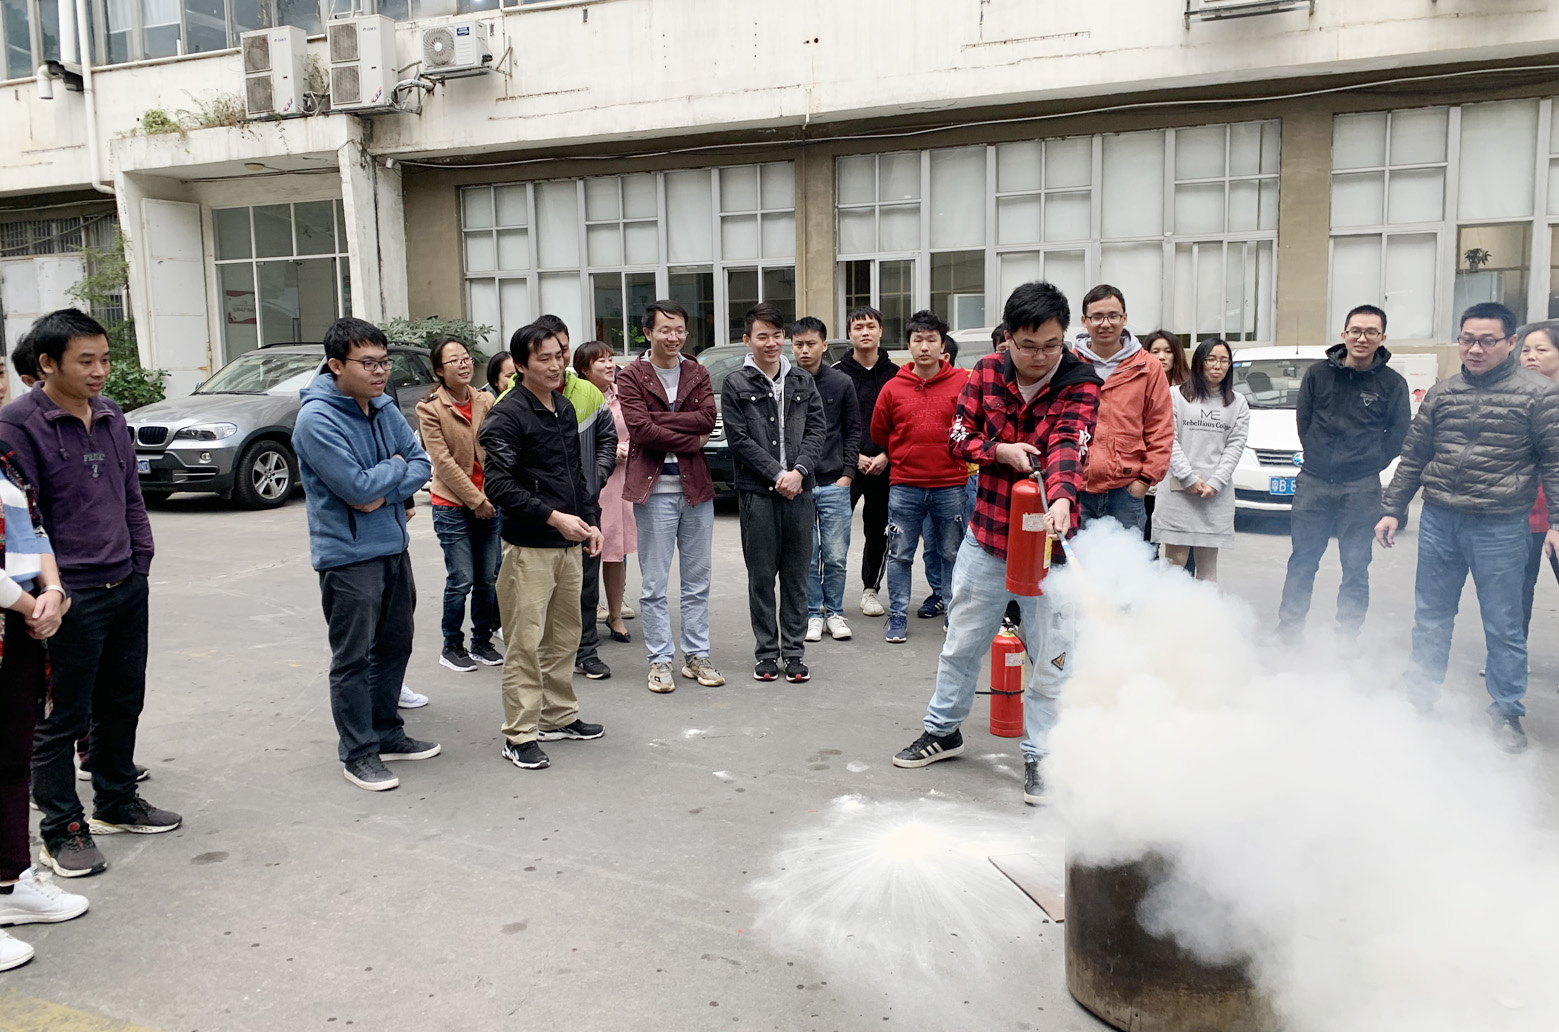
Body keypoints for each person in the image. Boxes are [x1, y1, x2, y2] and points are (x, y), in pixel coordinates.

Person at [891, 281, 1102, 806]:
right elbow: (957, 437)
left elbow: (1068, 446)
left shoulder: (1080, 381)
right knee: (961, 642)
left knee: (1053, 654)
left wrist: (1061, 499)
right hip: (986, 537)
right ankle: (943, 730)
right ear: (1007, 337)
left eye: (1051, 345)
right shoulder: (985, 372)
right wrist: (998, 450)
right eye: (1028, 346)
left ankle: (1042, 754)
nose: (1040, 357)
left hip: (1051, 547)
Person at [0, 309, 180, 877]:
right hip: (68, 594)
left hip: (125, 582)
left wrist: (140, 561)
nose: (100, 371)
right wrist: (49, 593)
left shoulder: (109, 413)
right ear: (47, 364)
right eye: (86, 361)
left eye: (104, 359)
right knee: (62, 716)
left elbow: (130, 494)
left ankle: (117, 799)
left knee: (122, 700)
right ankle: (62, 828)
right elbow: (27, 523)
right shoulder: (18, 426)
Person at [1378, 303, 1559, 754]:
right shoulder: (1443, 393)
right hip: (1440, 520)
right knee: (1431, 617)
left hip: (1501, 524)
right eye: (1467, 340)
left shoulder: (1539, 394)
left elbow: (1555, 463)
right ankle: (1419, 701)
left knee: (1504, 624)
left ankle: (1507, 712)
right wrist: (1392, 508)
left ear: (1510, 343)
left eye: (1486, 341)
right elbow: (1414, 454)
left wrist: (1557, 522)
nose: (1474, 349)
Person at [293, 318, 439, 792]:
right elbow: (355, 490)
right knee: (353, 658)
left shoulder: (382, 406)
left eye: (384, 363)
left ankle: (386, 732)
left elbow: (420, 462)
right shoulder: (317, 420)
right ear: (336, 365)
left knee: (395, 644)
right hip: (348, 556)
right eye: (369, 364)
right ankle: (358, 752)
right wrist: (390, 475)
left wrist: (385, 485)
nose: (380, 373)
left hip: (393, 545)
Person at [479, 323, 607, 770]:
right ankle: (519, 734)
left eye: (559, 356)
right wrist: (553, 517)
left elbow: (576, 474)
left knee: (564, 638)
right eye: (544, 358)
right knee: (525, 644)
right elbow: (498, 485)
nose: (556, 366)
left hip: (568, 542)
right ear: (520, 365)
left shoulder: (563, 406)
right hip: (529, 548)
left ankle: (558, 716)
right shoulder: (507, 415)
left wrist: (591, 521)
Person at [0, 432, 88, 969]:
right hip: (15, 609)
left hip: (17, 620)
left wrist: (51, 591)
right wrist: (32, 604)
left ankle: (10, 883)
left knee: (12, 760)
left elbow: (33, 528)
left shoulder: (4, 458)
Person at [1275, 305, 1410, 643]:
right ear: (1344, 334)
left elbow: (1398, 434)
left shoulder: (1392, 383)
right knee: (1303, 560)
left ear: (1382, 338)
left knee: (1355, 564)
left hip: (1360, 487)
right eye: (1356, 331)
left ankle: (1347, 637)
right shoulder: (1317, 374)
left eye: (1371, 332)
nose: (1362, 338)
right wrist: (1319, 456)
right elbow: (1304, 421)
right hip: (1314, 481)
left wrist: (1368, 463)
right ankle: (1289, 629)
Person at [613, 300, 725, 694]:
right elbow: (640, 430)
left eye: (679, 330)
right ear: (648, 333)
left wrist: (663, 422)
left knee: (697, 581)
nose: (673, 337)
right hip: (654, 490)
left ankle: (697, 655)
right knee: (654, 585)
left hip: (696, 491)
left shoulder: (697, 371)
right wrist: (690, 437)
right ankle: (660, 660)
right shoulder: (632, 375)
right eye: (665, 330)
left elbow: (708, 419)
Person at [722, 304, 826, 683]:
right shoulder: (735, 384)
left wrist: (799, 472)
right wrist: (778, 474)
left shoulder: (802, 381)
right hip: (758, 494)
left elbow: (817, 431)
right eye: (762, 336)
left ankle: (794, 652)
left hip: (800, 491)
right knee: (762, 577)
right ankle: (766, 652)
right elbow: (739, 440)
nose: (771, 343)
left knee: (797, 576)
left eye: (776, 335)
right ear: (747, 340)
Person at [873, 310, 971, 645]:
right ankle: (898, 615)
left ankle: (953, 615)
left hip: (951, 484)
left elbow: (973, 426)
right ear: (909, 345)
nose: (924, 346)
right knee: (900, 554)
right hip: (905, 485)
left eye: (931, 340)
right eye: (918, 340)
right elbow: (880, 432)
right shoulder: (893, 388)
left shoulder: (962, 383)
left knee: (952, 552)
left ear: (943, 346)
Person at [416, 338, 502, 675]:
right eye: (455, 361)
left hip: (489, 501)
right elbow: (443, 462)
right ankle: (452, 645)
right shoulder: (430, 408)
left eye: (466, 358)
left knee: (487, 577)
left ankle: (482, 642)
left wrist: (490, 495)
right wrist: (476, 500)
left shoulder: (485, 400)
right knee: (461, 578)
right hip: (452, 504)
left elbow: (498, 447)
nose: (464, 365)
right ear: (439, 370)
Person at [1072, 285, 1174, 533]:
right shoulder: (1069, 364)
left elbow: (1161, 428)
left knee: (1126, 558)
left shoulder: (1148, 367)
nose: (1105, 323)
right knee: (1072, 557)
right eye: (1097, 317)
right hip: (1074, 488)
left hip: (1126, 492)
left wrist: (1144, 481)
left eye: (1113, 316)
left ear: (1124, 318)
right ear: (1084, 321)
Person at [1151, 338, 1250, 583]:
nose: (1218, 365)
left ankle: (1205, 609)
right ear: (1199, 362)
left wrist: (1216, 482)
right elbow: (1168, 438)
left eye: (1224, 360)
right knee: (1174, 562)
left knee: (1207, 565)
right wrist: (1187, 477)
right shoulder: (1175, 395)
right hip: (1177, 491)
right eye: (1211, 359)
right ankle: (1170, 609)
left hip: (1214, 494)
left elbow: (1235, 445)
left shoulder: (1238, 403)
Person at [790, 317, 859, 644]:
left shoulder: (841, 382)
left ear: (824, 345)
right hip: (799, 483)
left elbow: (853, 431)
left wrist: (847, 475)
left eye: (811, 344)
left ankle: (835, 612)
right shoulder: (787, 382)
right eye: (798, 344)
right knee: (807, 555)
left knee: (835, 555)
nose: (804, 350)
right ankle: (813, 614)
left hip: (834, 482)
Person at [835, 306, 899, 618]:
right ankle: (826, 596)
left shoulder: (897, 375)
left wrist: (886, 455)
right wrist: (853, 456)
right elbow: (827, 425)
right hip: (844, 466)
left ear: (880, 331)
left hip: (885, 466)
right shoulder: (836, 373)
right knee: (834, 532)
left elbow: (904, 424)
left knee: (878, 532)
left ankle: (870, 590)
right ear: (849, 333)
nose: (864, 332)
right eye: (858, 327)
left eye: (870, 326)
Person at [576, 340, 637, 644]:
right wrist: (608, 452)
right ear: (585, 369)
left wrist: (626, 447)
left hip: (620, 484)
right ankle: (585, 617)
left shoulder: (623, 395)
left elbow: (639, 430)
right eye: (601, 360)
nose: (610, 364)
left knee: (616, 552)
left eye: (611, 358)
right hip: (589, 483)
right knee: (588, 552)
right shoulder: (576, 398)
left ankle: (615, 615)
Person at [1518, 321, 1559, 640]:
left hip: (1555, 513)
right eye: (1525, 350)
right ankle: (1511, 656)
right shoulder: (1515, 399)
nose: (1530, 356)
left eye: (1541, 349)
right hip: (1524, 512)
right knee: (1518, 590)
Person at [1141, 330, 1189, 543]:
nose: (1161, 357)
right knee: (1146, 539)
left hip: (1180, 477)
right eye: (1155, 351)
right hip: (1147, 478)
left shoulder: (1189, 391)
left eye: (1168, 351)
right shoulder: (1138, 386)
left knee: (1179, 543)